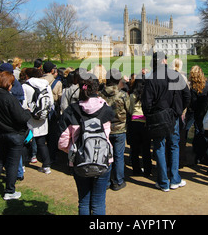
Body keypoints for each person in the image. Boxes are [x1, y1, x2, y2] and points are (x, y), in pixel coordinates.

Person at [59, 72, 115, 215]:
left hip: (80, 160)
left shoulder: (71, 111)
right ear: (97, 89)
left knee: (84, 201)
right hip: (103, 159)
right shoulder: (107, 110)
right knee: (98, 202)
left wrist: (74, 150)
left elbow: (62, 142)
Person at [142, 52, 191, 192]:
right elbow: (187, 95)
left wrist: (150, 115)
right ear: (164, 60)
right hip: (173, 115)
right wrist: (180, 109)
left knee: (159, 146)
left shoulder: (151, 78)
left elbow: (146, 103)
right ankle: (174, 179)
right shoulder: (175, 75)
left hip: (159, 115)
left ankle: (163, 181)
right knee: (173, 145)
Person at [0, 71, 32, 200]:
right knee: (12, 163)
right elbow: (21, 118)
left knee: (0, 159)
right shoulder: (9, 98)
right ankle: (10, 190)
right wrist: (28, 112)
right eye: (11, 83)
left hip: (0, 133)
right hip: (14, 134)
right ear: (8, 84)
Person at [99, 68, 130, 191]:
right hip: (119, 129)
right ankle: (117, 181)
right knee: (118, 156)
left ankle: (106, 182)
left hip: (105, 129)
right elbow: (129, 110)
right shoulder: (122, 95)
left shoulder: (100, 94)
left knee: (105, 156)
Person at [22, 67, 54, 175]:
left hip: (30, 117)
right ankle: (46, 166)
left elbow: (23, 104)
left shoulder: (25, 86)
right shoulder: (46, 85)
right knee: (41, 142)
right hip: (42, 117)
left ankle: (22, 165)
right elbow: (51, 101)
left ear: (28, 76)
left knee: (26, 141)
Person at [188, 66, 208, 175]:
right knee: (206, 138)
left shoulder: (194, 88)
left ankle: (205, 160)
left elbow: (194, 104)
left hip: (200, 116)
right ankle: (206, 159)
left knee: (202, 137)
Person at [128, 75, 152, 177]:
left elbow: (130, 109)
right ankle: (147, 169)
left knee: (134, 148)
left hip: (134, 121)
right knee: (146, 148)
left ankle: (136, 169)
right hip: (145, 122)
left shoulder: (132, 95)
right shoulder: (147, 95)